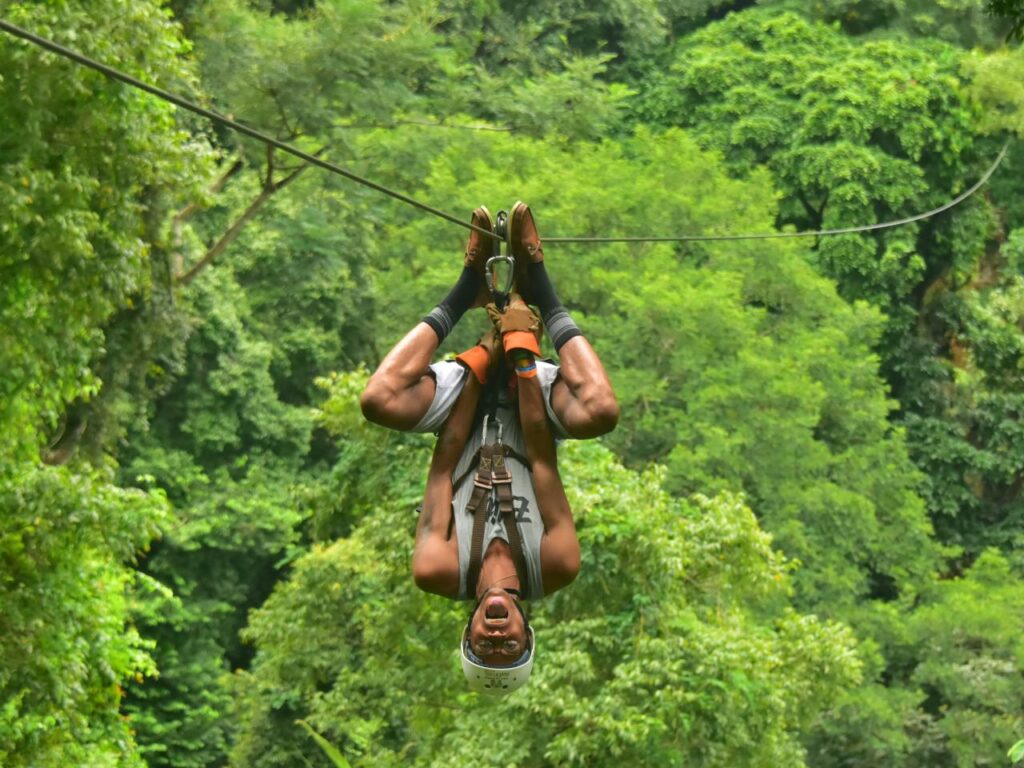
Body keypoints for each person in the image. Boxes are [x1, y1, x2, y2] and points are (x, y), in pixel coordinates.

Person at [360, 202, 618, 693]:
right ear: (527, 631)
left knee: (378, 400)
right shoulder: (556, 565)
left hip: (465, 413)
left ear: (468, 631)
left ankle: (466, 290)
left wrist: (482, 358)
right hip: (531, 417)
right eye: (509, 647)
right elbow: (542, 457)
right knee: (601, 410)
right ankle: (541, 286)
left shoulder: (437, 571)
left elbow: (443, 467)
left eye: (485, 647)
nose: (496, 637)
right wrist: (522, 356)